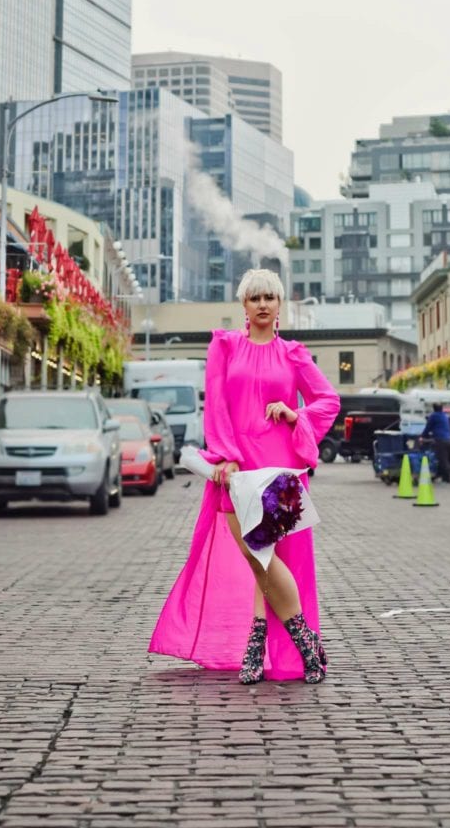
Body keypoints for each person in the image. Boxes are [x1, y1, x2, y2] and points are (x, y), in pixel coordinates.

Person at [149, 268, 340, 685]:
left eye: (270, 297)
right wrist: (226, 456)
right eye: (255, 298)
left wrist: (296, 415)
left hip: (281, 470)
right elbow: (215, 405)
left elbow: (328, 400)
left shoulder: (293, 353)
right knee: (258, 559)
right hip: (236, 470)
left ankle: (284, 647)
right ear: (244, 306)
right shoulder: (226, 347)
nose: (263, 304)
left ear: (279, 305)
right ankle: (293, 642)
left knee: (271, 558)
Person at [423, 401, 450, 483]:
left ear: (434, 408)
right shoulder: (445, 416)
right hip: (448, 439)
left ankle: (447, 478)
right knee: (441, 457)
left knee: (442, 459)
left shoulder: (434, 416)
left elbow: (428, 427)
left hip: (440, 440)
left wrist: (422, 436)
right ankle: (438, 475)